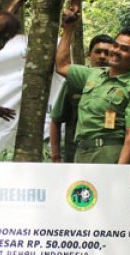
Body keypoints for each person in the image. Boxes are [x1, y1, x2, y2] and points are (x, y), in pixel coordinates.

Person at [55, 16, 130, 255]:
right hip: (83, 155)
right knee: (91, 225)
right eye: (116, 46)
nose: (116, 52)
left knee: (114, 227)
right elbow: (60, 65)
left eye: (125, 50)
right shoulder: (93, 77)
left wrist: (119, 173)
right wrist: (68, 29)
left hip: (109, 155)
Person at [49, 33, 115, 163]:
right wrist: (56, 155)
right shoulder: (74, 81)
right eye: (98, 52)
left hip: (109, 154)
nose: (102, 56)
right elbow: (56, 120)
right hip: (74, 154)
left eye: (107, 53)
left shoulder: (122, 84)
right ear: (89, 54)